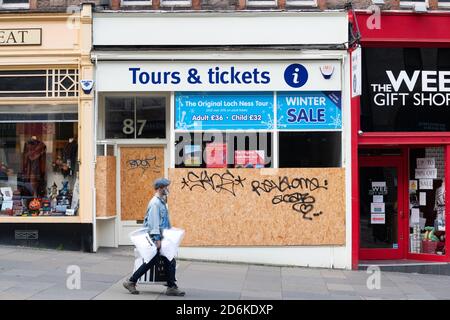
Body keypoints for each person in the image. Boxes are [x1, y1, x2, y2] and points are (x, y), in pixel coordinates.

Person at [123, 178, 185, 296]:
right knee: (157, 260)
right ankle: (131, 281)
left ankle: (171, 286)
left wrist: (170, 233)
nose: (168, 189)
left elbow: (164, 221)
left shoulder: (161, 202)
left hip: (163, 237)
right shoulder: (155, 203)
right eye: (166, 187)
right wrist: (157, 239)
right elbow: (153, 222)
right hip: (157, 238)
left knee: (167, 260)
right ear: (160, 188)